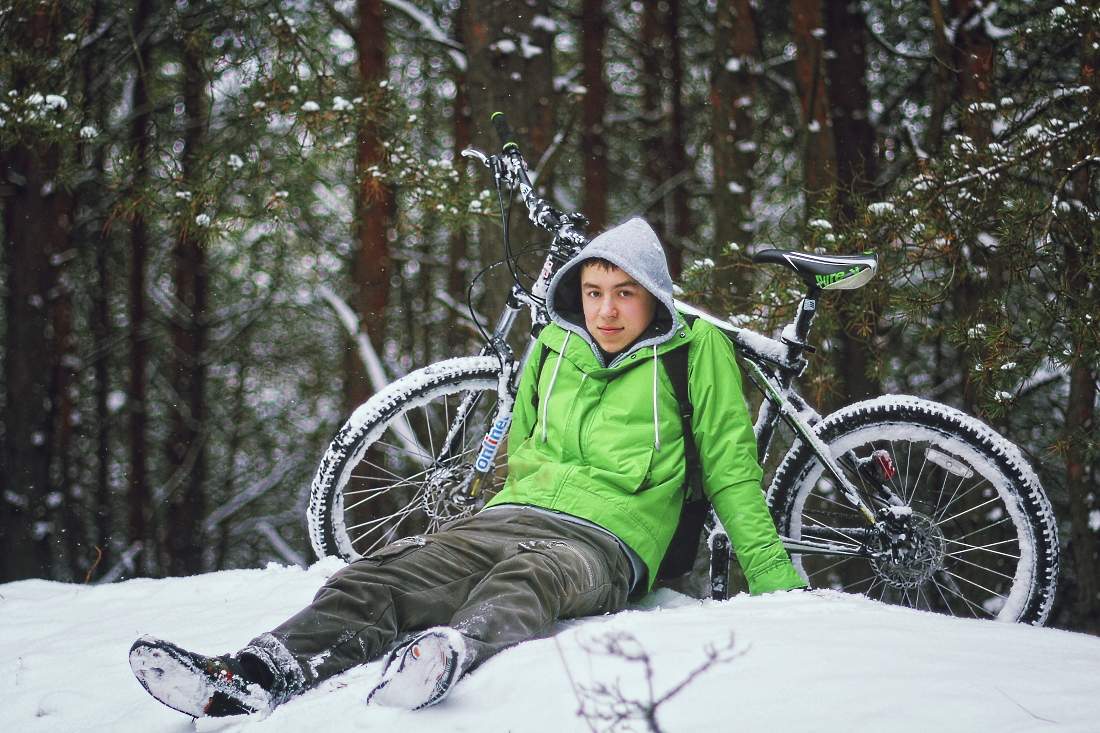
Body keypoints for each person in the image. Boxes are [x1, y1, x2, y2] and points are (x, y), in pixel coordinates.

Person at [128, 217, 806, 718]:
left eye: (624, 294)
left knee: (532, 575)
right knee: (381, 571)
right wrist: (494, 514)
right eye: (595, 290)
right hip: (513, 513)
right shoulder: (552, 345)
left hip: (609, 541)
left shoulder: (696, 352)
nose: (605, 309)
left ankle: (449, 650)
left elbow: (730, 469)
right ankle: (250, 673)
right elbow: (524, 447)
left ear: (654, 296)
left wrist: (778, 583)